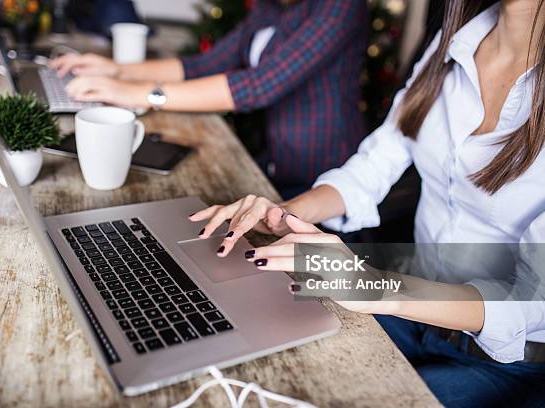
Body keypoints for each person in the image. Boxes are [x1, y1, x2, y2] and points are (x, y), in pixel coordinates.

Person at [188, 0, 545, 406]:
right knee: (252, 356)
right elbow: (377, 162)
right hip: (410, 320)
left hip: (509, 367)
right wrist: (284, 213)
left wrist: (373, 286)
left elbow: (531, 300)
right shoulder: (456, 41)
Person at [49, 0, 368, 198]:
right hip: (273, 163)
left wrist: (136, 93)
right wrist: (117, 70)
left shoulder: (340, 6)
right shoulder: (270, 9)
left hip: (321, 177)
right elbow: (201, 65)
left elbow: (258, 86)